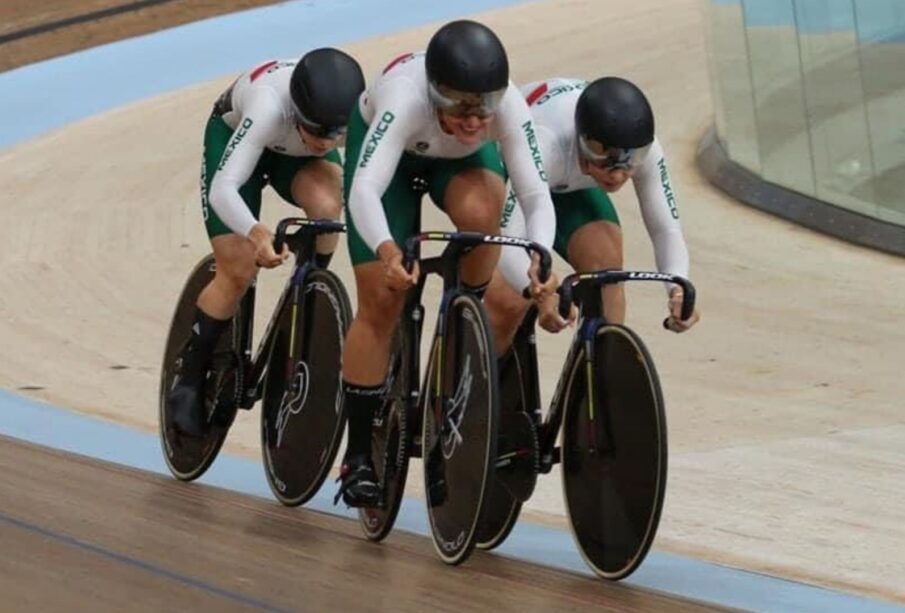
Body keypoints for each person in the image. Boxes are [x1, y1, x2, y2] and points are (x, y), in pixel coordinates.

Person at [336, 20, 558, 506]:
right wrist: (388, 252)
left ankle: (465, 318)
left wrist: (539, 255)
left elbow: (536, 196)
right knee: (381, 297)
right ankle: (356, 455)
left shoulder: (508, 108)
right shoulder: (404, 100)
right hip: (389, 166)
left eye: (484, 106)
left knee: (486, 210)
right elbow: (365, 191)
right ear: (434, 91)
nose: (475, 119)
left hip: (457, 164)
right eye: (459, 104)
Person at [168, 48, 366, 436]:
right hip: (237, 141)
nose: (328, 143)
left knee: (328, 210)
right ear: (299, 114)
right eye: (320, 131)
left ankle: (307, 292)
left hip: (291, 155)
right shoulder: (268, 106)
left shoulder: (346, 115)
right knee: (239, 268)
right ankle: (189, 377)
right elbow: (223, 190)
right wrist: (257, 233)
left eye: (338, 134)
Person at [485, 76, 701, 354]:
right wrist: (540, 294)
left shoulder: (641, 147)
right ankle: (469, 391)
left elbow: (666, 230)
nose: (619, 174)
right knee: (507, 299)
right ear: (583, 142)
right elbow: (510, 241)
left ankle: (598, 379)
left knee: (607, 271)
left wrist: (678, 290)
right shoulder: (547, 140)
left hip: (568, 181)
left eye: (629, 163)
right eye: (605, 158)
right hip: (522, 174)